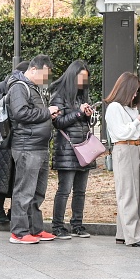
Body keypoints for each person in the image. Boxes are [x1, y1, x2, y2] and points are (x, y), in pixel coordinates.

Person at [6, 55, 57, 245]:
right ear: (33, 69)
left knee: (37, 192)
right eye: (44, 74)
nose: (45, 79)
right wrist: (47, 112)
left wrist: (48, 114)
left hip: (39, 145)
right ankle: (19, 232)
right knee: (24, 191)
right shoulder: (19, 86)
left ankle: (34, 228)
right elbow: (20, 113)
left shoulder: (33, 87)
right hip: (27, 146)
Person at [104, 72, 140, 247]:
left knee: (138, 194)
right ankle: (134, 236)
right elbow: (120, 133)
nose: (135, 95)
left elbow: (137, 132)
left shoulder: (131, 108)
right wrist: (137, 121)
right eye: (133, 91)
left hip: (137, 148)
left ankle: (124, 234)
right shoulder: (114, 108)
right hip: (124, 148)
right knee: (127, 194)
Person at [49, 60, 96, 240]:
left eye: (85, 78)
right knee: (64, 189)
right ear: (72, 76)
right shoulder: (59, 95)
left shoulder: (83, 96)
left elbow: (87, 122)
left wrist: (88, 115)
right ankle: (58, 226)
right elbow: (57, 122)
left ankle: (77, 224)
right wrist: (78, 113)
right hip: (67, 149)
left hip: (84, 148)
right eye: (80, 77)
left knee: (80, 191)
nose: (83, 81)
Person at [0, 61, 27, 225]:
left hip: (18, 137)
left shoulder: (26, 89)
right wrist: (7, 108)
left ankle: (13, 209)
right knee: (1, 176)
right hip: (1, 138)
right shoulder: (0, 87)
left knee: (16, 176)